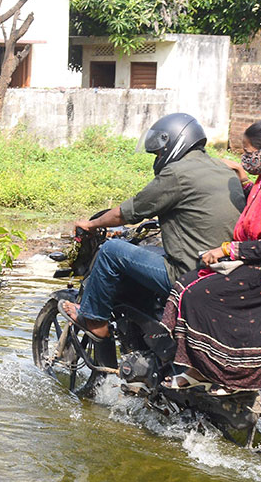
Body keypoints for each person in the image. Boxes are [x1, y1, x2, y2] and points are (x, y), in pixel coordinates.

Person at [160, 118, 261, 392]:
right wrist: (243, 179)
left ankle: (228, 373)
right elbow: (258, 204)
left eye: (247, 152)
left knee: (201, 294)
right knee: (187, 283)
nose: (244, 158)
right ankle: (197, 369)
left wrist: (226, 249)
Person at [60, 113, 245, 338]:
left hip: (188, 272)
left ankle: (94, 320)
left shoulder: (177, 174)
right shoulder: (223, 169)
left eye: (158, 152)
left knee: (110, 251)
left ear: (175, 143)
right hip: (223, 269)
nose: (158, 157)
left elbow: (126, 213)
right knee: (148, 251)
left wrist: (91, 224)